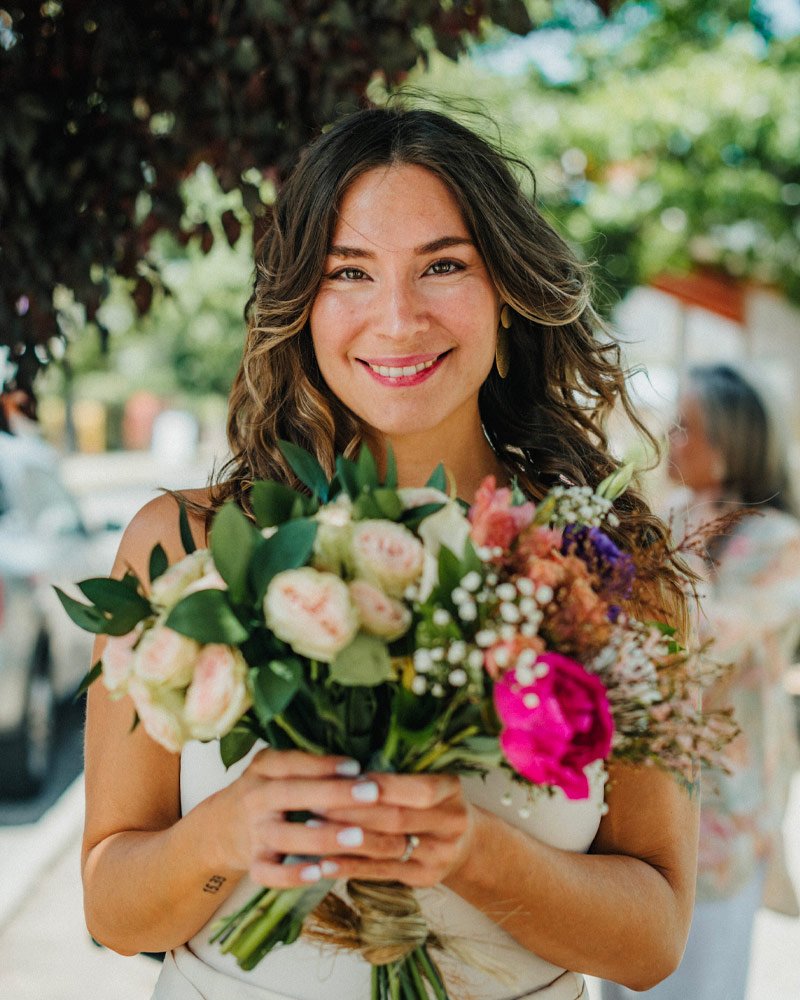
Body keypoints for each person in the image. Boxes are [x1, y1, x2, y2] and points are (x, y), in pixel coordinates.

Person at [82, 106, 700, 1000]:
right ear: (300, 302)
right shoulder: (180, 547)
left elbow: (654, 944)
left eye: (443, 265)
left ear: (507, 295)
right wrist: (224, 835)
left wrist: (477, 854)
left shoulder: (603, 566)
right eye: (349, 272)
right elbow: (112, 910)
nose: (398, 318)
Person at [602, 363, 800, 1000]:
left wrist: (696, 531)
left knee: (701, 987)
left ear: (733, 441)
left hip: (726, 817)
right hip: (637, 794)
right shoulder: (665, 520)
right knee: (626, 976)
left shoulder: (781, 544)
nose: (671, 438)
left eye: (688, 425)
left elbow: (707, 641)